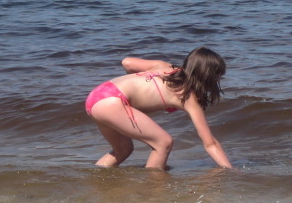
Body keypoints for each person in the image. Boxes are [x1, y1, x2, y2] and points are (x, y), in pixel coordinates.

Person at [85, 46, 232, 170]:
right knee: (163, 143)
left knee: (123, 149)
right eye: (219, 77)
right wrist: (229, 170)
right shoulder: (187, 97)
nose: (219, 81)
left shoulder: (166, 67)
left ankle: (97, 177)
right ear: (208, 77)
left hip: (96, 96)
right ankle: (152, 189)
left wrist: (141, 83)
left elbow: (127, 62)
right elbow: (210, 143)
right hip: (112, 103)